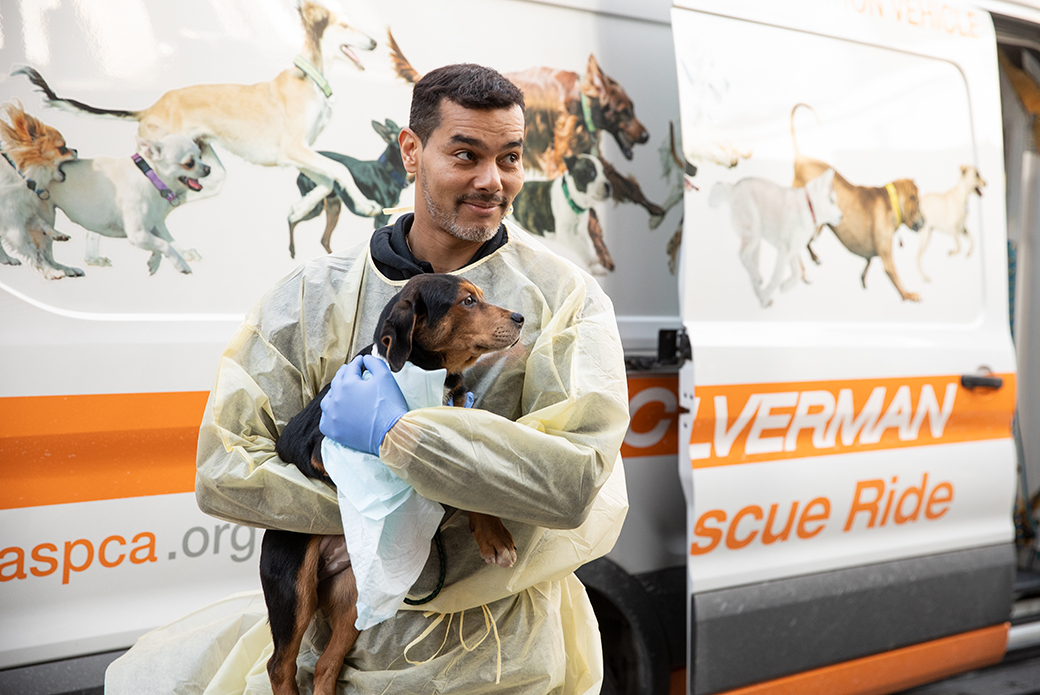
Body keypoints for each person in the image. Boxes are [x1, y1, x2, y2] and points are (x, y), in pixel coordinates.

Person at [106, 63, 630, 695]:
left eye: (510, 158)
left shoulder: (562, 299)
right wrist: (386, 505)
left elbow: (575, 484)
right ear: (411, 151)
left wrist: (400, 444)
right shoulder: (308, 297)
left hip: (495, 661)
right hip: (340, 667)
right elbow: (225, 474)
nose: (492, 181)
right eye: (465, 154)